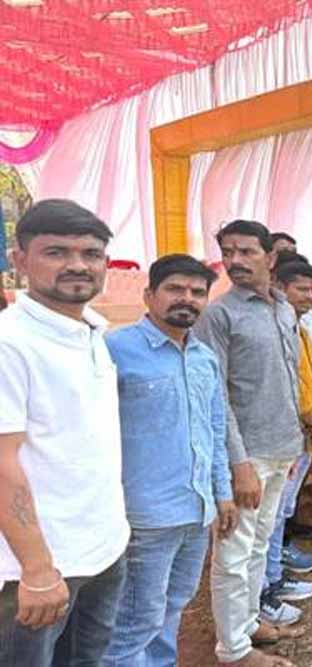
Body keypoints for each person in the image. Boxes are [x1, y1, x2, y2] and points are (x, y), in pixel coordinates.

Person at [0, 200, 130, 665]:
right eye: (56, 252)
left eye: (90, 254)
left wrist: (115, 536)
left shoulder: (91, 330)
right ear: (19, 260)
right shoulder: (10, 342)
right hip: (36, 569)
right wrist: (36, 569)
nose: (77, 265)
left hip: (103, 549)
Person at [102, 254, 238, 666]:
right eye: (175, 289)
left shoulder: (204, 357)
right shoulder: (114, 351)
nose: (187, 299)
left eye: (197, 292)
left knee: (175, 603)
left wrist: (222, 494)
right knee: (134, 621)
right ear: (149, 295)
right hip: (144, 516)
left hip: (196, 511)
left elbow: (213, 430)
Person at [193, 220, 305, 667]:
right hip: (247, 456)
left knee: (260, 544)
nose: (235, 261)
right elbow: (215, 394)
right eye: (228, 252)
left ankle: (248, 622)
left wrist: (296, 443)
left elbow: (289, 378)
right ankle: (233, 650)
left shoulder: (283, 307)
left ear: (270, 257)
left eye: (246, 251)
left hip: (282, 448)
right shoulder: (218, 315)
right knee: (233, 554)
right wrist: (237, 464)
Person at [258, 261, 312, 626]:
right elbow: (286, 387)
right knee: (268, 518)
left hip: (304, 437)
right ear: (278, 286)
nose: (310, 296)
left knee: (281, 513)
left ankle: (274, 577)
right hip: (285, 438)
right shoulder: (273, 329)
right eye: (302, 289)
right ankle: (263, 593)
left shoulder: (299, 327)